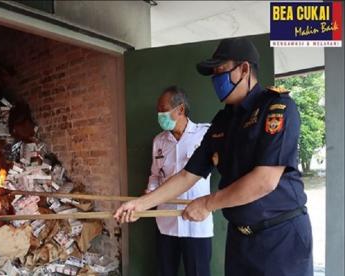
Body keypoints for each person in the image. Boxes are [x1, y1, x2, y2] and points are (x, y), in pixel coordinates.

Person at [114, 37, 313, 276]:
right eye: (213, 74)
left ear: (244, 69)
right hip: (240, 237)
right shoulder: (222, 122)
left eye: (221, 71)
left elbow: (265, 181)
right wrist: (141, 204)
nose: (215, 79)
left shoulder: (276, 109)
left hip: (281, 237)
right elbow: (189, 174)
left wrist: (207, 204)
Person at [149, 86, 213, 276]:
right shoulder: (159, 141)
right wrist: (151, 191)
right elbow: (154, 175)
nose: (160, 114)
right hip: (166, 222)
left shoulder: (204, 134)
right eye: (158, 111)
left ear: (181, 110)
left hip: (196, 223)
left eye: (163, 109)